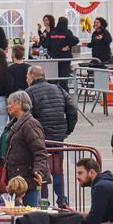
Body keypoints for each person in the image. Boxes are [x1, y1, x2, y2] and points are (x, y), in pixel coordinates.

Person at [25, 65, 77, 206]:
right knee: (57, 168)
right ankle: (62, 199)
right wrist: (68, 129)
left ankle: (44, 201)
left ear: (32, 76)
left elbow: (26, 116)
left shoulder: (29, 92)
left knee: (41, 168)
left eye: (27, 76)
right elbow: (72, 109)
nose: (26, 79)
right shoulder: (58, 89)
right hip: (58, 136)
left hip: (40, 136)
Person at [0, 91, 49, 206]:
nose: (8, 106)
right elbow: (16, 150)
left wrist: (38, 171)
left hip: (27, 181)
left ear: (19, 104)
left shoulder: (30, 124)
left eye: (10, 103)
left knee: (28, 214)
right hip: (17, 181)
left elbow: (40, 152)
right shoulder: (15, 123)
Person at [47, 16, 80, 90]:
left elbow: (47, 44)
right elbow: (76, 40)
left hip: (54, 58)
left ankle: (55, 95)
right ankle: (65, 97)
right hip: (65, 58)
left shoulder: (53, 32)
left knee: (54, 80)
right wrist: (69, 46)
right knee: (63, 80)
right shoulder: (67, 32)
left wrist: (52, 51)